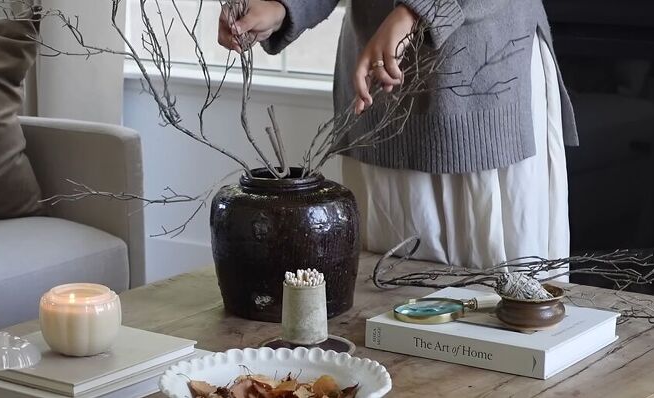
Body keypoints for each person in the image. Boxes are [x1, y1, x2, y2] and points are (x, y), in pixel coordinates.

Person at [218, 0, 577, 273]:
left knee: (500, 309)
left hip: (478, 89)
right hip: (377, 95)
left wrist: (416, 11)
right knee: (381, 309)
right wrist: (282, 6)